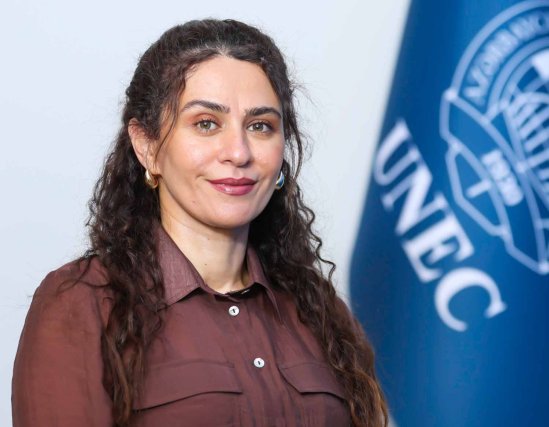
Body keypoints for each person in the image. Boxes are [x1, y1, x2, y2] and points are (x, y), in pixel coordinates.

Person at [12, 19, 387, 427]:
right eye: (206, 123)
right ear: (147, 145)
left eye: (260, 126)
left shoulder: (321, 313)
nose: (238, 152)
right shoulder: (84, 304)